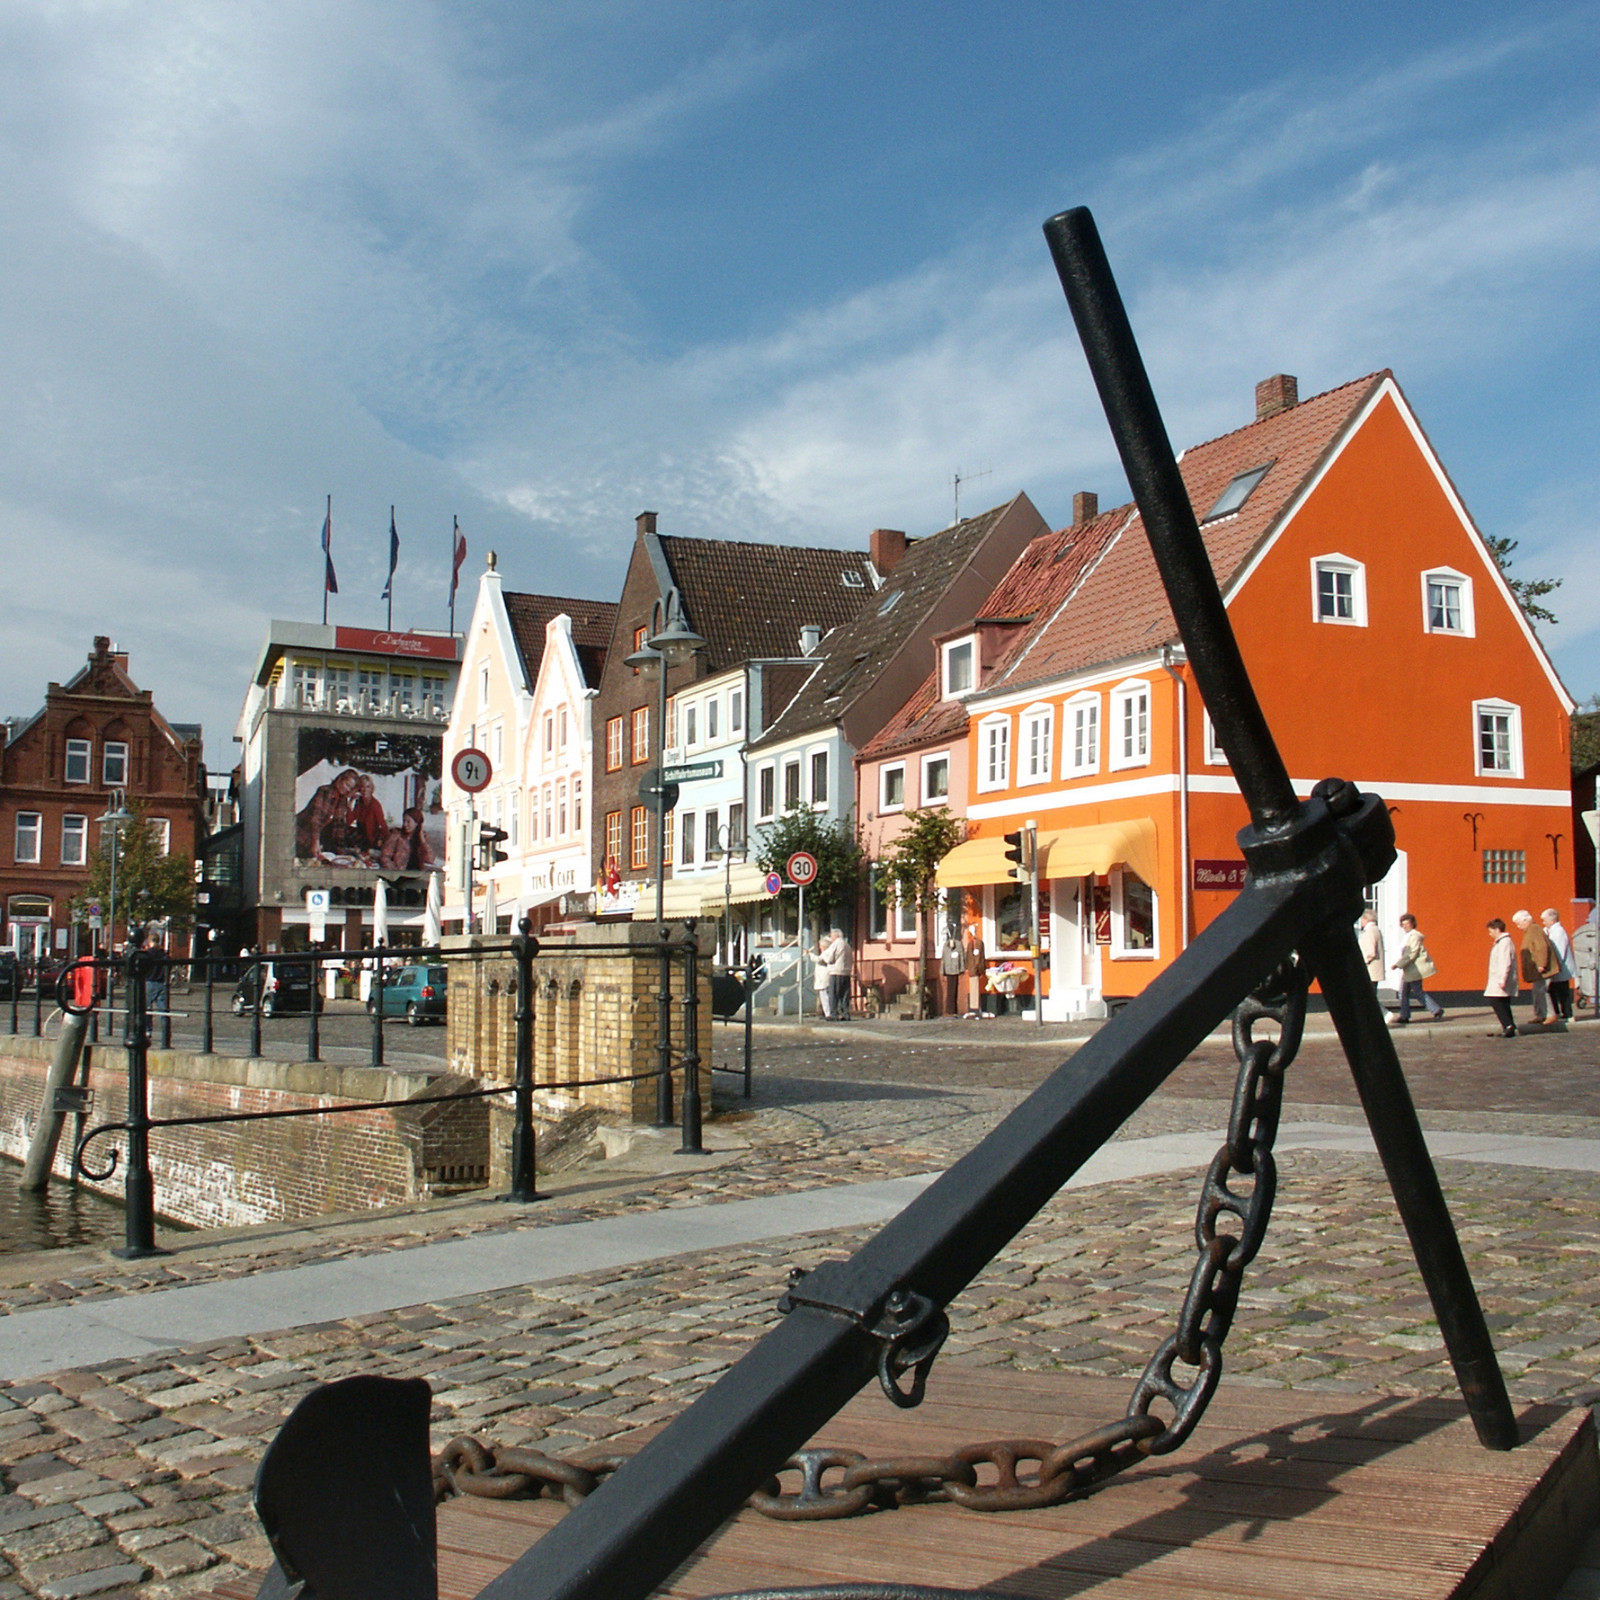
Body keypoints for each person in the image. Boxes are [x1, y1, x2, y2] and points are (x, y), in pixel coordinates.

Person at [1388, 913, 1444, 1025]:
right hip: (1409, 970)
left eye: (1407, 924)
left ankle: (1436, 1010)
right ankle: (1405, 1015)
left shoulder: (1414, 936)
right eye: (1403, 924)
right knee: (1403, 993)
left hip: (1414, 969)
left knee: (1416, 991)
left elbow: (1412, 953)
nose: (1405, 926)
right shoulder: (1409, 936)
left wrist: (1398, 964)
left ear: (1412, 924)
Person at [1512, 909, 1557, 1026]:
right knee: (1537, 991)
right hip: (1537, 970)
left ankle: (1550, 1014)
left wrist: (1541, 964)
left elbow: (1541, 947)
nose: (1518, 926)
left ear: (1526, 920)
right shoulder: (1530, 930)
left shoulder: (1534, 929)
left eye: (1519, 923)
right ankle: (1540, 1015)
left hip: (1542, 969)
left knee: (1541, 991)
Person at [1484, 918, 1519, 1038]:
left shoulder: (1505, 942)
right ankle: (1508, 1025)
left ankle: (1508, 1025)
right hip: (1498, 977)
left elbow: (1505, 961)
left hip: (1500, 978)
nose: (1490, 934)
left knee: (1496, 1000)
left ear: (1497, 930)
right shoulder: (1501, 942)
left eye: (1491, 931)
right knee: (1502, 1001)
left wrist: (1502, 979)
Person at [1542, 908, 1575, 1022]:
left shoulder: (1559, 932)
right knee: (1554, 991)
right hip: (1557, 968)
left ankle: (1567, 1014)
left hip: (1560, 968)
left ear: (1552, 920)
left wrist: (1554, 966)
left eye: (1545, 920)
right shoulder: (1549, 930)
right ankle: (1559, 1013)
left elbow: (1559, 951)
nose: (1543, 922)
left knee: (1562, 992)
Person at [349, 774, 389, 855]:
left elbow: (383, 824)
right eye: (362, 787)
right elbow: (348, 821)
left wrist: (388, 842)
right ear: (359, 789)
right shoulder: (359, 803)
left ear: (372, 789)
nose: (365, 790)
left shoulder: (375, 805)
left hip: (371, 839)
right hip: (361, 837)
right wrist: (351, 801)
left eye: (368, 787)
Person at [826, 927, 853, 1022]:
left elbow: (830, 959)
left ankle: (833, 1014)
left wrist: (826, 959)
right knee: (845, 995)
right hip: (846, 972)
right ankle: (845, 1013)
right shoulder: (847, 945)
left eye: (832, 936)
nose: (831, 938)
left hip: (836, 972)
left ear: (836, 935)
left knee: (834, 994)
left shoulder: (835, 944)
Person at [1357, 910, 1385, 995]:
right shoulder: (1375, 929)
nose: (1361, 921)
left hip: (1370, 969)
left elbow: (1371, 952)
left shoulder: (1370, 931)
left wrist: (1362, 962)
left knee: (1369, 994)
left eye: (1362, 919)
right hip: (1374, 969)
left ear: (1366, 919)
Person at [963, 927, 987, 1018]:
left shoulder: (979, 943)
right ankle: (974, 1008)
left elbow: (980, 957)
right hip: (973, 969)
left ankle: (976, 1008)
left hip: (975, 969)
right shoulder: (970, 944)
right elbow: (969, 957)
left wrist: (979, 968)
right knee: (974, 988)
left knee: (976, 988)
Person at [810, 932, 834, 1020]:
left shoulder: (826, 953)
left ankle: (828, 1013)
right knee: (825, 995)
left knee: (824, 996)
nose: (820, 947)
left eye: (821, 945)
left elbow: (817, 959)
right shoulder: (826, 953)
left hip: (823, 977)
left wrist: (809, 954)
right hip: (823, 977)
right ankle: (828, 1012)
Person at [940, 930, 964, 1016]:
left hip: (956, 970)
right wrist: (942, 971)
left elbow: (961, 957)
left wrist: (962, 969)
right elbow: (943, 959)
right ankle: (949, 1010)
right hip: (948, 971)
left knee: (954, 991)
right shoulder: (945, 947)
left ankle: (954, 1010)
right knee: (949, 991)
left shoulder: (959, 945)